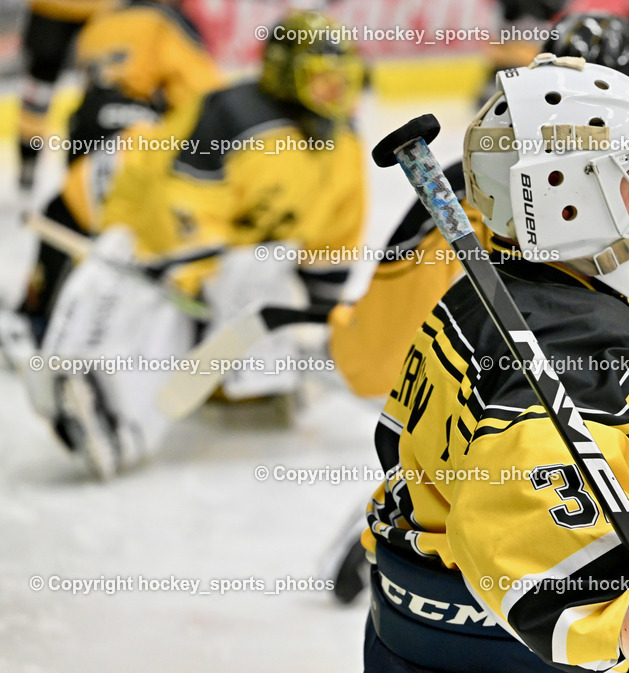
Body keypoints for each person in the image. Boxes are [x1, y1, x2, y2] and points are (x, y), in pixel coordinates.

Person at [361, 55, 629, 673]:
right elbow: (534, 541)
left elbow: (403, 445)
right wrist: (628, 625)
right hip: (523, 657)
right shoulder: (591, 337)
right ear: (567, 194)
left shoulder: (480, 299)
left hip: (411, 627)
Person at [21, 10, 369, 479]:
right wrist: (197, 289)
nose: (337, 94)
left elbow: (331, 242)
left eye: (343, 81)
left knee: (242, 283)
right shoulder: (232, 115)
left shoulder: (343, 146)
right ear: (287, 75)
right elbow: (179, 207)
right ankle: (108, 407)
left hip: (210, 236)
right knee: (161, 303)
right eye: (323, 80)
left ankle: (241, 385)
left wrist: (319, 323)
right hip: (114, 200)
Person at [11, 0, 223, 344]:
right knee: (148, 228)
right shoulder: (168, 23)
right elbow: (208, 101)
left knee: (68, 207)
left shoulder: (101, 21)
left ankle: (37, 309)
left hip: (86, 124)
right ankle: (163, 324)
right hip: (136, 132)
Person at [17, 0, 120, 200]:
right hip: (53, 8)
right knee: (38, 90)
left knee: (100, 93)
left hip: (100, 10)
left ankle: (88, 168)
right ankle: (28, 158)